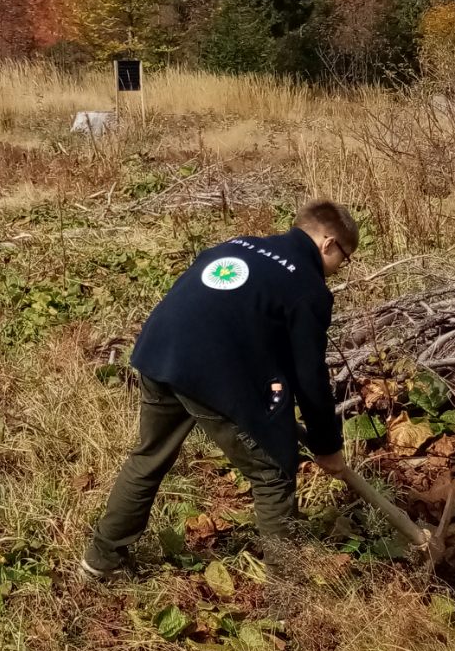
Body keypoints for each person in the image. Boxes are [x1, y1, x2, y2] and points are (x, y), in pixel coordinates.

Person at [81, 200, 359, 581]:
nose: (339, 268)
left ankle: (100, 560)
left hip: (160, 350)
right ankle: (291, 597)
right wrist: (327, 446)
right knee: (273, 473)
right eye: (344, 257)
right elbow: (309, 375)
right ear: (328, 244)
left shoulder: (235, 245)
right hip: (211, 371)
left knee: (148, 457)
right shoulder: (307, 288)